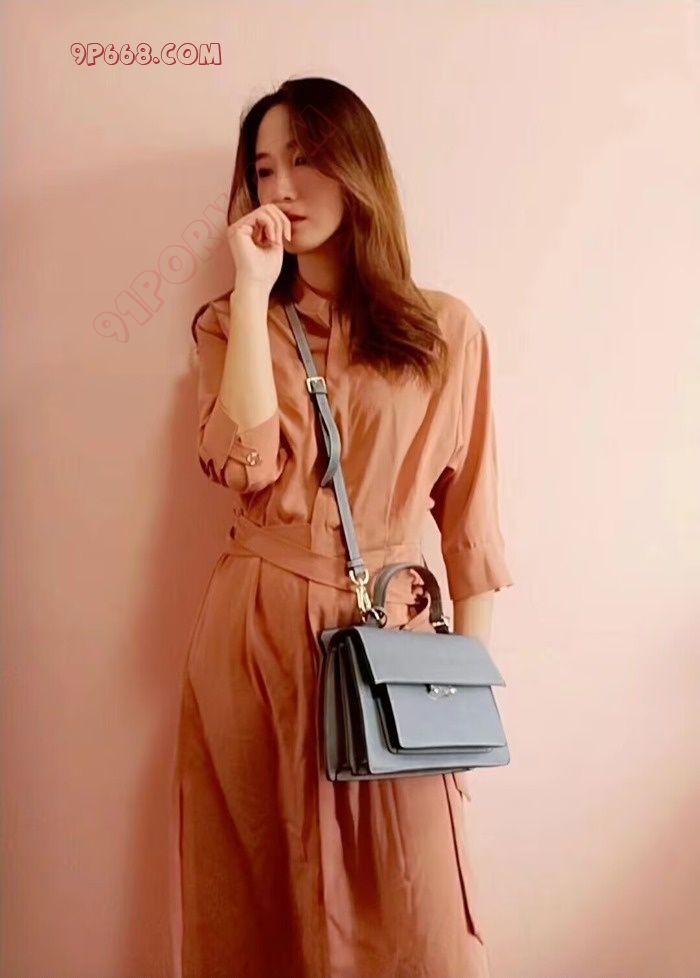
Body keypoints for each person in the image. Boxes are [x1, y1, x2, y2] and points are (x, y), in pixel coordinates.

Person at [174, 75, 514, 978]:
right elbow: (245, 461)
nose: (283, 187)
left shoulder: (446, 333)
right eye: (263, 169)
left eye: (307, 158)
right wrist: (254, 292)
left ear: (358, 166)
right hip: (255, 644)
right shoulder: (229, 325)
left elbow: (471, 535)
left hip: (391, 650)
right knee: (258, 909)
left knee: (420, 923)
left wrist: (459, 705)